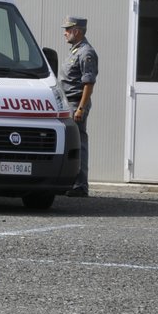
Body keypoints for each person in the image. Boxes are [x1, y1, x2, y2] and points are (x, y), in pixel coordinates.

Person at [59, 15, 97, 197]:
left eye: (68, 30)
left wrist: (81, 108)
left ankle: (81, 185)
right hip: (68, 103)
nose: (65, 33)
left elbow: (88, 84)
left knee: (79, 143)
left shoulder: (86, 53)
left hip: (76, 103)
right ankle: (72, 182)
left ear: (77, 31)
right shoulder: (75, 51)